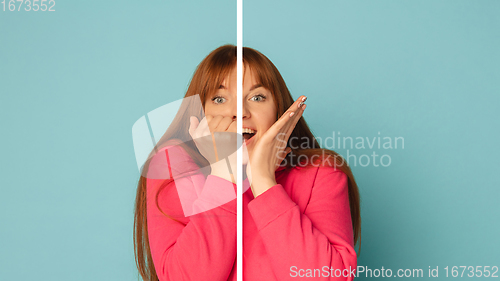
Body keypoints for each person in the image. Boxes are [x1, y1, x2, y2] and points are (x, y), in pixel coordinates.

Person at [134, 45, 361, 281]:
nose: (239, 112)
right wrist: (224, 174)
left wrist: (264, 181)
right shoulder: (173, 167)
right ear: (198, 114)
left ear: (279, 111)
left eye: (257, 97)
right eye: (220, 98)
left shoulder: (320, 172)